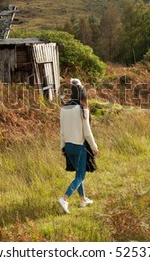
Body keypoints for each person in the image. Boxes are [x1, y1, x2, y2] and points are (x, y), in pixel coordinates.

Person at [58, 78, 99, 214]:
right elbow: (87, 132)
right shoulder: (82, 108)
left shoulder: (64, 108)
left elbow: (62, 131)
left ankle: (83, 199)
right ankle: (64, 199)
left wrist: (62, 147)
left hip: (68, 146)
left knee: (77, 174)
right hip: (80, 146)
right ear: (82, 92)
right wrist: (94, 147)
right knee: (80, 176)